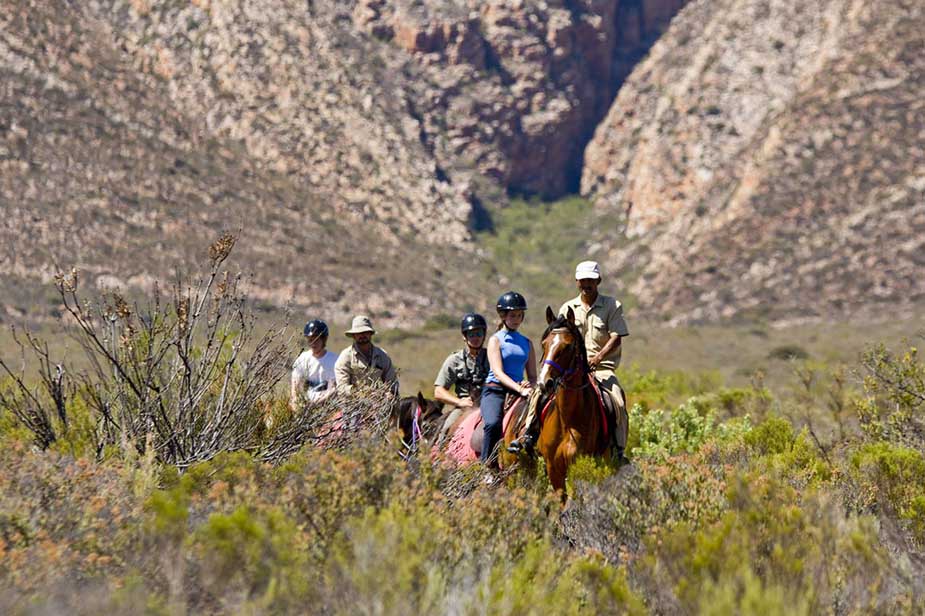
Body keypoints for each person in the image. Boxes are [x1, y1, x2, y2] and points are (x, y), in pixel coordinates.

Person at [509, 260, 630, 457]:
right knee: (539, 392)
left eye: (590, 280)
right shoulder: (567, 307)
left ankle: (618, 449)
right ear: (576, 282)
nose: (586, 284)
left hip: (602, 369)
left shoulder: (612, 305)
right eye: (582, 280)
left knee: (617, 401)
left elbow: (616, 337)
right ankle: (528, 433)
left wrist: (598, 358)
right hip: (570, 369)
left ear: (598, 280)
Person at [480, 292, 537, 466]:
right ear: (503, 316)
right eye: (513, 315)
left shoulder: (527, 343)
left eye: (520, 315)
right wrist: (520, 389)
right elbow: (498, 372)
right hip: (495, 389)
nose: (516, 319)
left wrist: (529, 385)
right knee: (492, 424)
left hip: (519, 390)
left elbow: (533, 376)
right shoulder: (495, 340)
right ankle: (487, 467)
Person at [433, 313, 489, 444]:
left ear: (484, 335)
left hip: (490, 404)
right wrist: (459, 402)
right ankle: (440, 457)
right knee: (446, 429)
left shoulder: (493, 357)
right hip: (464, 408)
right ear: (464, 336)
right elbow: (438, 391)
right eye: (471, 334)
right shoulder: (454, 360)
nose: (476, 338)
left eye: (479, 334)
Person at [335, 315, 399, 394]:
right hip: (353, 403)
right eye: (358, 333)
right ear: (354, 336)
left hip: (380, 402)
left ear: (370, 334)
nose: (362, 335)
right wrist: (360, 392)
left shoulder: (382, 356)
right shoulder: (345, 357)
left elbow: (392, 383)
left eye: (365, 332)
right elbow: (342, 388)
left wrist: (388, 394)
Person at [290, 319, 338, 410]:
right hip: (304, 408)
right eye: (310, 339)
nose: (313, 343)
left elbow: (335, 389)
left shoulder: (335, 360)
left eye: (316, 339)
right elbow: (295, 387)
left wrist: (317, 404)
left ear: (324, 339)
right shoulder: (302, 359)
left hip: (329, 407)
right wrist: (297, 406)